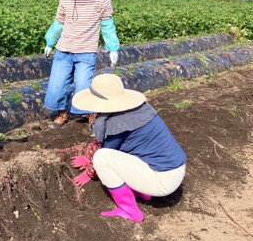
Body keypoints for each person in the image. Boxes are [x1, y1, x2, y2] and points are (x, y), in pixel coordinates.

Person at [70, 74, 187, 222]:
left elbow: (105, 150)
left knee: (102, 158)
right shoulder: (139, 109)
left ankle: (130, 210)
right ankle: (141, 191)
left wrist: (89, 172)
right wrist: (87, 158)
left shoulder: (117, 123)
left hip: (163, 180)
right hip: (172, 167)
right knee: (112, 154)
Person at [43, 0, 120, 129]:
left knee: (83, 86)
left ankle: (91, 113)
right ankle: (63, 113)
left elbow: (107, 24)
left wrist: (112, 47)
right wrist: (50, 41)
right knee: (58, 84)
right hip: (64, 50)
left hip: (86, 51)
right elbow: (59, 22)